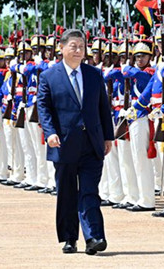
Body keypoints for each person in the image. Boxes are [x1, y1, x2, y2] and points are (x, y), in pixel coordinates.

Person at [37, 29, 114, 255]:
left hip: (91, 143)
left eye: (81, 46)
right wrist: (49, 133)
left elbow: (103, 107)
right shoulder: (49, 77)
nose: (78, 50)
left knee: (90, 191)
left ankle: (94, 237)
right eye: (74, 46)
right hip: (63, 143)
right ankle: (69, 238)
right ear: (61, 48)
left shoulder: (93, 74)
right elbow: (44, 108)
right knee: (67, 193)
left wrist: (108, 136)